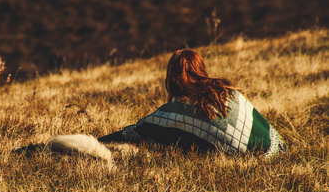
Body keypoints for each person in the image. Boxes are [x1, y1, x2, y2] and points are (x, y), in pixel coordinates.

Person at [98, 49, 286, 157]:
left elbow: (137, 130)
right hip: (277, 148)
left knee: (156, 139)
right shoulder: (227, 90)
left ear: (171, 77)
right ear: (201, 69)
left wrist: (97, 142)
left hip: (247, 160)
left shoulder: (177, 110)